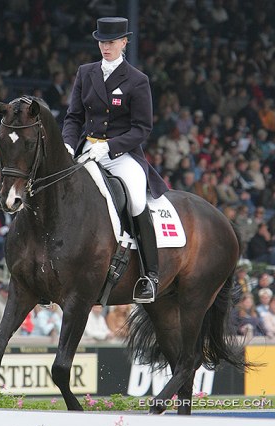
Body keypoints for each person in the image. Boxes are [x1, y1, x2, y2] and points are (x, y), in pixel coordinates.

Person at [62, 17, 168, 302]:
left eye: (111, 42)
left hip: (121, 155)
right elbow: (73, 117)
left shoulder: (137, 80)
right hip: (87, 150)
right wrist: (68, 146)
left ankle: (150, 276)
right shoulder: (86, 72)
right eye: (102, 42)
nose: (105, 47)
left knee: (135, 199)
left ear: (123, 42)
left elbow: (142, 129)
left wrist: (108, 148)